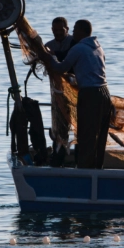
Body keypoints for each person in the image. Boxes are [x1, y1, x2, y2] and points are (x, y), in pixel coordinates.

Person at [39, 19, 111, 169]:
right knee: (100, 135)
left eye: (75, 29)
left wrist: (50, 57)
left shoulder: (78, 48)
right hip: (105, 93)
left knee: (86, 134)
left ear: (82, 31)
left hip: (90, 94)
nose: (73, 32)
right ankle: (97, 168)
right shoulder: (98, 48)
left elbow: (60, 68)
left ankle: (85, 170)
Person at [44, 17, 75, 166]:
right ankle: (59, 154)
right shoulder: (48, 46)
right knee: (60, 126)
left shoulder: (75, 43)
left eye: (61, 30)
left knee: (78, 126)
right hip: (57, 92)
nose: (57, 33)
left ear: (67, 29)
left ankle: (78, 156)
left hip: (76, 91)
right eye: (55, 30)